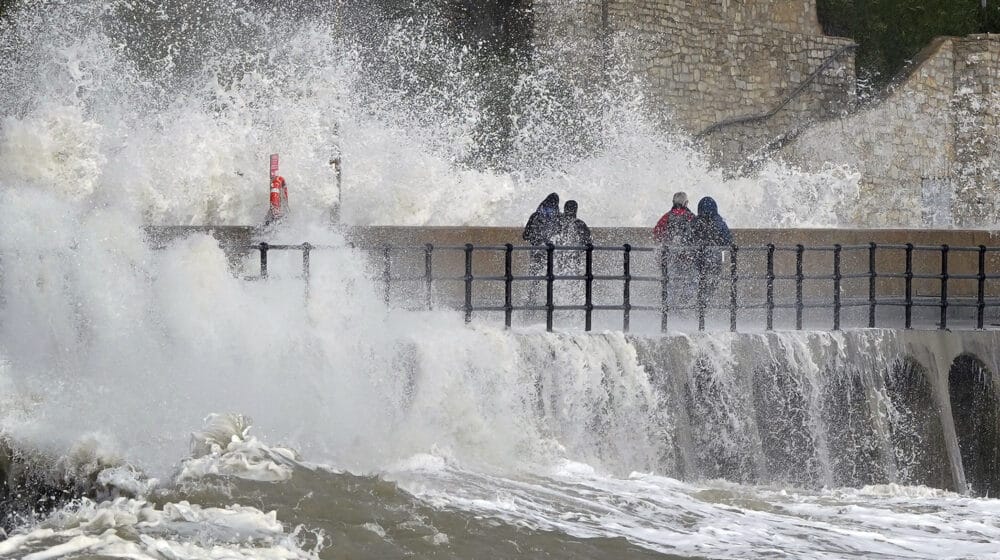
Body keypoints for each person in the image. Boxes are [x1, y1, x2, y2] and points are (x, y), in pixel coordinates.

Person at [654, 192, 696, 308]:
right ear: (686, 203)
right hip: (687, 257)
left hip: (671, 257)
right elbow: (697, 233)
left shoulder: (667, 217)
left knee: (670, 283)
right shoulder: (691, 217)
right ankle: (683, 303)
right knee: (691, 280)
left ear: (673, 202)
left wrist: (667, 242)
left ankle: (669, 308)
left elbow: (657, 232)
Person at [691, 196, 733, 306]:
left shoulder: (696, 221)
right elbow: (728, 240)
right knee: (712, 282)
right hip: (715, 259)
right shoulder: (719, 222)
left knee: (699, 281)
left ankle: (699, 303)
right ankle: (705, 303)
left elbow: (689, 238)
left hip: (698, 258)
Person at [522, 193, 561, 309]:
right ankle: (551, 304)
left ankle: (532, 302)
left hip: (537, 252)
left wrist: (535, 238)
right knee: (552, 277)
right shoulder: (558, 217)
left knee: (535, 279)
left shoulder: (535, 215)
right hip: (553, 253)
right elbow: (560, 234)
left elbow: (525, 235)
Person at [553, 200, 593, 274]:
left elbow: (552, 237)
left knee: (559, 272)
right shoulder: (580, 224)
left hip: (560, 254)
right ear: (576, 210)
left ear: (565, 209)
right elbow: (588, 241)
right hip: (574, 255)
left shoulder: (559, 222)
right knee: (574, 274)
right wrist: (579, 250)